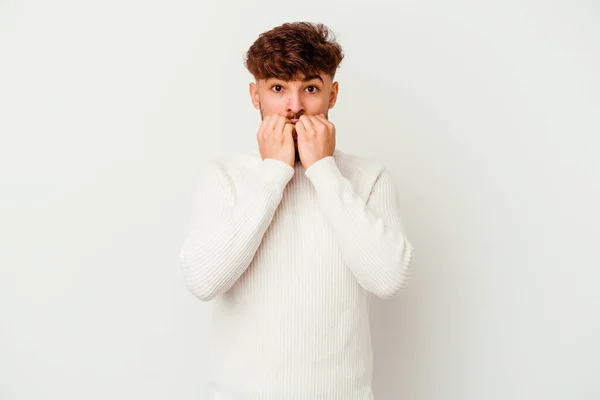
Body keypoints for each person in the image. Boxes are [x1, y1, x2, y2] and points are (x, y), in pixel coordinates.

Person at [179, 21, 415, 400]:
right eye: (277, 88)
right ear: (255, 96)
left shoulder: (367, 177)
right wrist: (274, 173)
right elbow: (204, 281)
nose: (294, 107)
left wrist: (323, 170)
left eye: (310, 88)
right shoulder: (225, 178)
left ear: (332, 94)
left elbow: (387, 280)